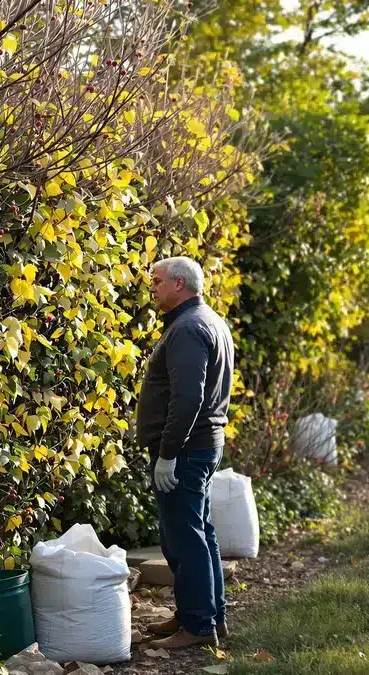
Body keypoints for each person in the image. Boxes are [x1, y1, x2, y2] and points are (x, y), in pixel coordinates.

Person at [135, 256, 235, 650]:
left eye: (157, 281)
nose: (153, 288)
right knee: (200, 533)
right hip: (203, 446)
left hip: (187, 450)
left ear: (179, 284)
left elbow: (188, 398)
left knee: (183, 539)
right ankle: (209, 616)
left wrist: (168, 454)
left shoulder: (189, 328)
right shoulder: (209, 320)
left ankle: (197, 627)